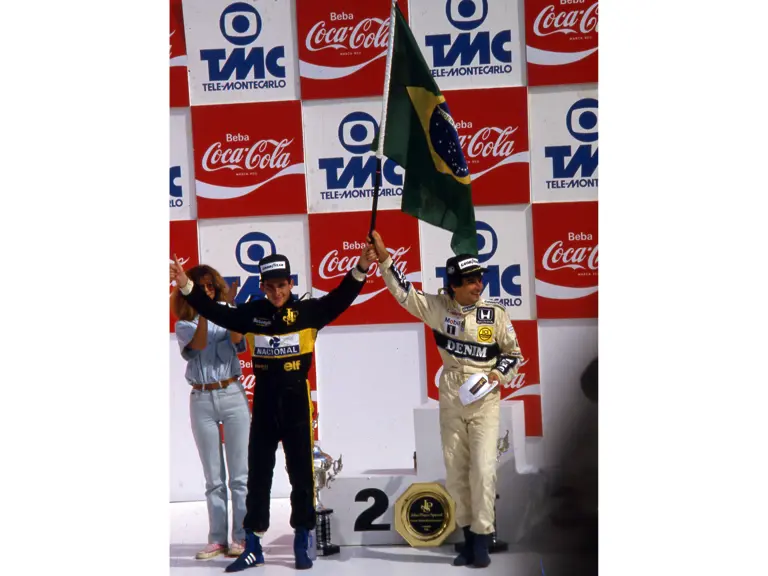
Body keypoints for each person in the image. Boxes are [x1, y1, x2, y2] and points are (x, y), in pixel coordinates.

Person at [170, 243, 377, 572]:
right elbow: (216, 313)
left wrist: (361, 269)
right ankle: (252, 545)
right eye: (271, 286)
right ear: (262, 287)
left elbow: (341, 297)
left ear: (291, 284)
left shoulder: (309, 313)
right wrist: (185, 285)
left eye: (283, 285)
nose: (278, 292)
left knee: (301, 476)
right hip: (264, 406)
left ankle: (301, 540)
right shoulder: (253, 314)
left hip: (296, 405)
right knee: (258, 478)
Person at [369, 230, 523, 569]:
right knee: (456, 473)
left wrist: (496, 375)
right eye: (469, 280)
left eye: (479, 279)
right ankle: (468, 539)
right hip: (452, 395)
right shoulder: (438, 308)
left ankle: (483, 538)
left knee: (483, 470)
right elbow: (404, 294)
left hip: (485, 398)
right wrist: (385, 260)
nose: (477, 285)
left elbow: (514, 354)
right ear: (453, 284)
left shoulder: (495, 314)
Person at [170, 265, 251, 560]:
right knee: (213, 478)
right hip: (201, 398)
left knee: (240, 476)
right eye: (199, 286)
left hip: (232, 394)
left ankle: (241, 537)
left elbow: (237, 342)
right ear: (188, 290)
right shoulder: (184, 324)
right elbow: (199, 345)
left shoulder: (229, 311)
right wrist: (206, 312)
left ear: (217, 287)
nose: (206, 291)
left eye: (210, 287)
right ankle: (217, 539)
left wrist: (229, 313)